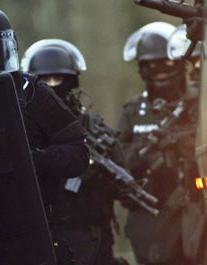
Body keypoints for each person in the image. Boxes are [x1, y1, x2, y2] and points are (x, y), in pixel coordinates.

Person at [0, 7, 90, 264]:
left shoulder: (33, 93)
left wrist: (34, 160)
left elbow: (79, 152)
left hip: (30, 227)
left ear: (5, 50)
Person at [24, 41, 129, 265]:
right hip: (50, 232)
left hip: (96, 232)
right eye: (45, 80)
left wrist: (94, 173)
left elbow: (122, 178)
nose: (52, 86)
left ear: (71, 82)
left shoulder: (91, 125)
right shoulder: (27, 127)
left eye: (58, 79)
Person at [116, 22, 200, 265]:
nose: (159, 70)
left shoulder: (197, 104)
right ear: (141, 69)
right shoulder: (132, 112)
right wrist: (150, 152)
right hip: (148, 217)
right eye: (150, 64)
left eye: (165, 62)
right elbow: (118, 159)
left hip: (191, 211)